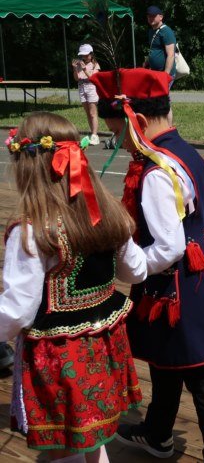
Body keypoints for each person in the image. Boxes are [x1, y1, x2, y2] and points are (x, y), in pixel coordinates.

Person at [91, 68, 204, 461]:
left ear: (138, 122)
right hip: (195, 278)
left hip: (178, 287)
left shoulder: (156, 171)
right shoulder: (184, 150)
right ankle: (158, 433)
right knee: (165, 360)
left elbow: (170, 246)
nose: (118, 142)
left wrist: (127, 269)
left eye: (118, 133)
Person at [1, 112, 148, 462]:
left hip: (58, 356)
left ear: (27, 166)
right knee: (91, 434)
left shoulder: (32, 230)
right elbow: (136, 272)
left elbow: (18, 310)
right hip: (104, 346)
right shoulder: (110, 213)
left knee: (62, 443)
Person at [72, 44, 101, 146]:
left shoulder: (95, 65)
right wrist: (75, 69)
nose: (84, 57)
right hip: (81, 87)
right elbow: (76, 78)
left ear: (91, 54)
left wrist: (85, 70)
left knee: (93, 113)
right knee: (88, 113)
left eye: (86, 55)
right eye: (82, 55)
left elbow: (93, 79)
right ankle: (92, 133)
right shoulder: (80, 64)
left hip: (91, 87)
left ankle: (95, 135)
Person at [145, 5, 176, 79]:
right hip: (154, 73)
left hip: (165, 75)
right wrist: (147, 62)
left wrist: (165, 75)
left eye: (153, 16)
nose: (150, 18)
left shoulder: (166, 31)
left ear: (161, 17)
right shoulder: (151, 31)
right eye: (149, 16)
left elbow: (171, 55)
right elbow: (154, 49)